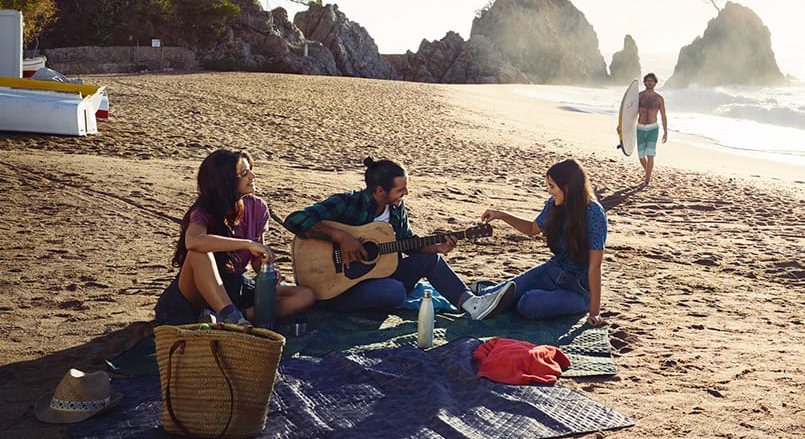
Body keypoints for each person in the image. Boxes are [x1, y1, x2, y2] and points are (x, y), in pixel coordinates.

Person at [282, 157, 488, 318]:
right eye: (400, 189)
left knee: (432, 261)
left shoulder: (396, 209)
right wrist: (340, 236)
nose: (406, 193)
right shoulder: (347, 202)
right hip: (337, 287)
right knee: (394, 292)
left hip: (378, 275)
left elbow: (408, 242)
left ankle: (471, 304)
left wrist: (436, 248)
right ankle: (340, 304)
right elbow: (295, 219)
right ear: (380, 191)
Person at [155, 149, 316, 326]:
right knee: (199, 252)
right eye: (244, 174)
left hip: (234, 287)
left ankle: (233, 317)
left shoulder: (257, 207)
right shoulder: (204, 210)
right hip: (197, 291)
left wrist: (266, 268)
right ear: (226, 182)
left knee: (304, 296)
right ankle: (231, 317)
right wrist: (247, 244)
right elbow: (193, 241)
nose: (253, 176)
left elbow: (256, 260)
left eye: (251, 170)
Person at [472, 158, 608, 326]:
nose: (549, 191)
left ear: (568, 187)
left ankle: (535, 298)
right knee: (489, 296)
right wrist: (501, 215)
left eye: (552, 186)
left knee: (527, 304)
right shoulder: (554, 204)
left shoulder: (594, 213)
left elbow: (595, 266)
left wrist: (594, 313)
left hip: (577, 288)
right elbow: (531, 229)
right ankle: (493, 288)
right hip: (551, 271)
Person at [635, 72, 668, 187]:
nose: (649, 82)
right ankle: (648, 171)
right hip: (640, 128)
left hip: (653, 129)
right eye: (647, 80)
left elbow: (663, 115)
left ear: (655, 83)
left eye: (651, 80)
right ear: (644, 82)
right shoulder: (639, 96)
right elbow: (630, 112)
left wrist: (665, 131)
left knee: (650, 154)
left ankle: (647, 180)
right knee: (641, 156)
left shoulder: (659, 99)